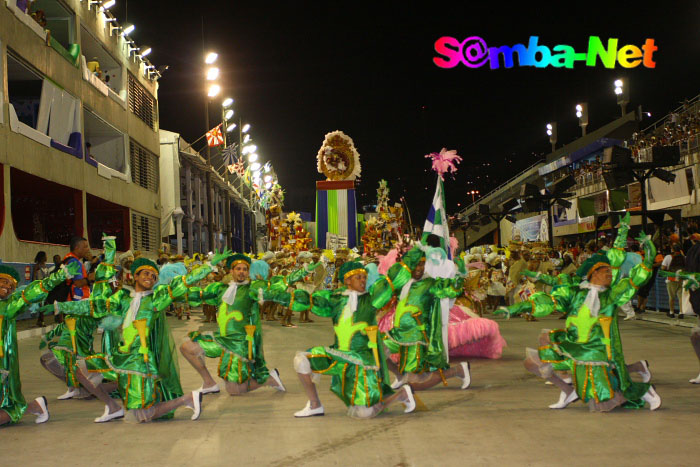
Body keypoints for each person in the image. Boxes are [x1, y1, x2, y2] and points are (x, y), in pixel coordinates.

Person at [496, 213, 661, 412]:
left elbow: (635, 278)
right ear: (594, 274)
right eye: (605, 271)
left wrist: (649, 253)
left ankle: (644, 391)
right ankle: (567, 390)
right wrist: (515, 308)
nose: (610, 274)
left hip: (598, 350)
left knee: (605, 399)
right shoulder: (576, 293)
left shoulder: (611, 295)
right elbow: (548, 302)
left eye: (610, 271)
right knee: (535, 360)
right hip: (574, 345)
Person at [55, 250, 229, 423]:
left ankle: (187, 399)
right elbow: (95, 306)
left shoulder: (156, 298)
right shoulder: (123, 298)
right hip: (122, 356)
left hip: (140, 360)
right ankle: (113, 406)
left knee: (140, 415)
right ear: (135, 276)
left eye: (154, 276)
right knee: (80, 368)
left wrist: (208, 266)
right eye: (146, 273)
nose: (150, 278)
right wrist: (61, 307)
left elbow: (184, 282)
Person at [282, 259, 417, 418]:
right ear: (347, 280)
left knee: (364, 413)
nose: (363, 280)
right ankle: (315, 404)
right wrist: (277, 295)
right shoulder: (335, 299)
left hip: (362, 361)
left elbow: (391, 281)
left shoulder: (371, 298)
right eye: (358, 277)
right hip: (338, 355)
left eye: (364, 277)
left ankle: (401, 395)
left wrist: (415, 253)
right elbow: (308, 301)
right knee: (301, 361)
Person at [180, 255, 304, 396]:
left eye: (245, 269)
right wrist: (207, 266)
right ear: (231, 271)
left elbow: (279, 284)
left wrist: (302, 272)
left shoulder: (252, 289)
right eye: (238, 269)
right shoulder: (219, 289)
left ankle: (270, 379)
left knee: (234, 390)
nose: (241, 272)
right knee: (187, 346)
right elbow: (191, 294)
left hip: (239, 344)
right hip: (221, 340)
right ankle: (209, 383)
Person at [0, 261, 80, 426]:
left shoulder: (10, 305)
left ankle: (30, 407)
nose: (5, 286)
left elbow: (33, 292)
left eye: (10, 284)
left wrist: (58, 276)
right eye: (2, 281)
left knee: (7, 404)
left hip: (3, 362)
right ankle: (36, 406)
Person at [381, 247, 471, 391]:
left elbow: (453, 288)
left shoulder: (430, 283)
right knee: (376, 347)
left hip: (416, 338)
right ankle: (400, 376)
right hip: (398, 333)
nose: (419, 268)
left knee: (415, 384)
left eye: (422, 264)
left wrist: (460, 274)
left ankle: (458, 370)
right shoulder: (402, 283)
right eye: (416, 264)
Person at [40, 236, 97, 400]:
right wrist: (90, 279)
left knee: (78, 348)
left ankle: (77, 385)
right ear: (77, 248)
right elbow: (78, 284)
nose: (88, 249)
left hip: (75, 308)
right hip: (76, 309)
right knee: (72, 347)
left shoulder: (69, 260)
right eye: (85, 247)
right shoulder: (75, 263)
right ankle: (78, 385)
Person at [662, 243, 685, 318]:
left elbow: (663, 268)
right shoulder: (683, 257)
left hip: (671, 279)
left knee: (671, 297)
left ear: (672, 249)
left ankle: (671, 312)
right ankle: (681, 312)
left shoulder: (668, 257)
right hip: (681, 279)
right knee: (681, 297)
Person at [32, 251, 49, 327]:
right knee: (41, 304)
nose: (46, 257)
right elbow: (34, 277)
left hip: (46, 286)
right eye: (45, 256)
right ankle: (41, 320)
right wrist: (34, 286)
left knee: (45, 303)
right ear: (42, 257)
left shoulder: (45, 265)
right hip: (40, 286)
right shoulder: (37, 266)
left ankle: (40, 320)